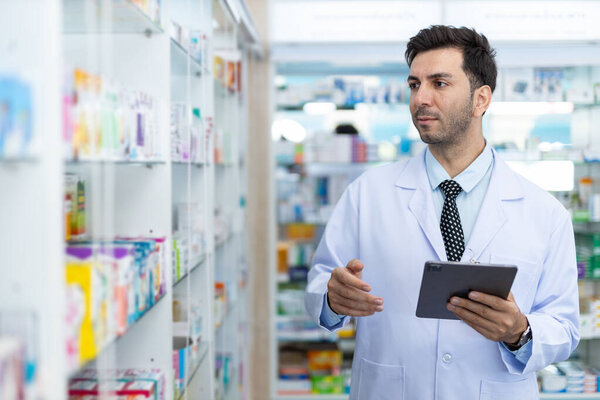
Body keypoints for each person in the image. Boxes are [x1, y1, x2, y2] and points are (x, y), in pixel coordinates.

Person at [305, 25, 580, 399]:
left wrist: (519, 331)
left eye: (439, 83)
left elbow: (564, 327)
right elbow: (322, 280)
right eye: (415, 84)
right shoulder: (367, 194)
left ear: (481, 99)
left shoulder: (544, 212)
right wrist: (332, 299)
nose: (421, 99)